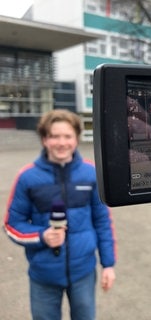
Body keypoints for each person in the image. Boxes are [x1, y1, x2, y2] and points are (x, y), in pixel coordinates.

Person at [3, 109, 116, 320]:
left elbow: (102, 222)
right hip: (43, 275)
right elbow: (12, 224)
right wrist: (41, 236)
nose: (61, 142)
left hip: (83, 272)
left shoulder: (91, 174)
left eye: (68, 136)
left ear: (76, 138)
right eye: (55, 136)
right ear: (45, 139)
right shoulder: (27, 177)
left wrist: (108, 264)